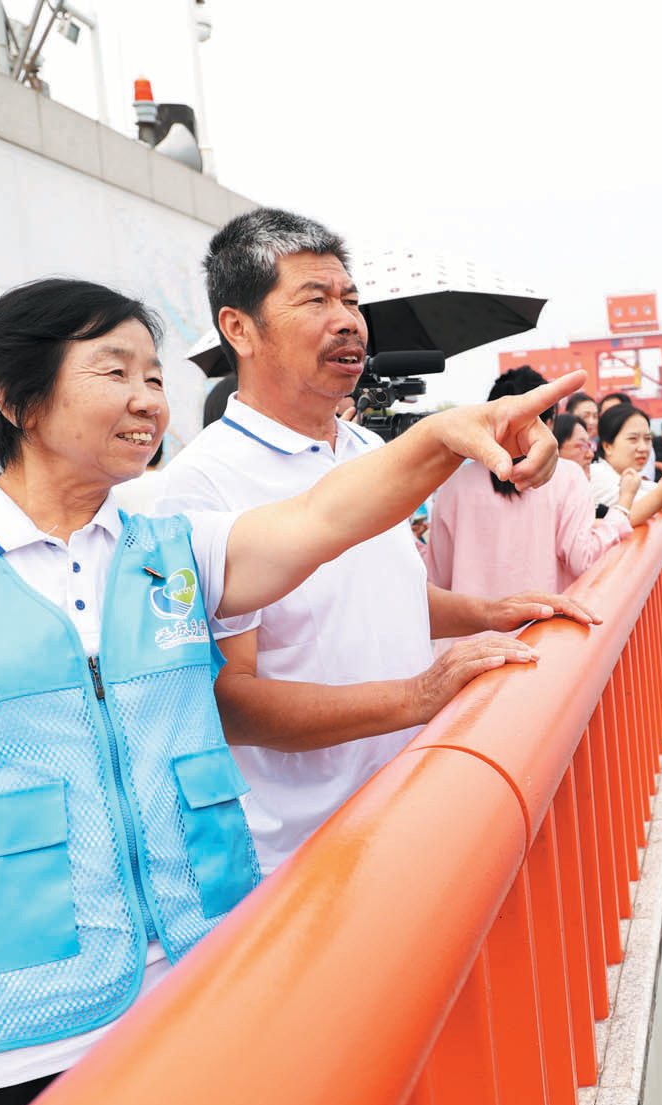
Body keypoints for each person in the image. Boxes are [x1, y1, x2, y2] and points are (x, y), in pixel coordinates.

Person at [0, 277, 574, 1105]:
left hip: (213, 992)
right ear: (14, 397)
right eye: (114, 372)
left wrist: (442, 435)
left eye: (155, 377)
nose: (148, 400)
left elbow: (322, 518)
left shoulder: (172, 550)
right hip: (16, 1046)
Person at [156, 208, 597, 876]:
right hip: (306, 852)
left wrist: (496, 611)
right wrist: (418, 696)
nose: (348, 320)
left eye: (351, 299)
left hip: (414, 801)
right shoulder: (200, 483)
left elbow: (386, 594)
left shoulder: (367, 448)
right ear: (238, 328)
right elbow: (230, 702)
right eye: (315, 300)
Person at [428, 371, 635, 610]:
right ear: (548, 424)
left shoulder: (456, 482)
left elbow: (438, 577)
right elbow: (582, 558)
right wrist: (622, 509)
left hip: (472, 631)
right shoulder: (568, 475)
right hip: (544, 627)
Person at [589, 402, 662, 527]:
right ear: (607, 446)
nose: (643, 448)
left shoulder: (626, 476)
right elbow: (630, 511)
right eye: (633, 439)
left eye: (647, 439)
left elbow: (650, 495)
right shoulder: (596, 475)